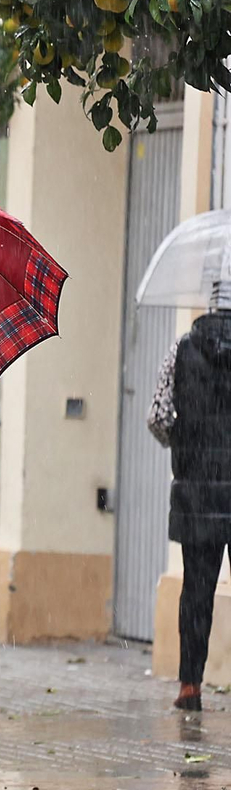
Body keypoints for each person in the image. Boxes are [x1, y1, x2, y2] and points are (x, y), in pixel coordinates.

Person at [159, 301, 231, 712]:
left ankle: (190, 686)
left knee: (197, 592)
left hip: (197, 492)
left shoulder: (181, 349)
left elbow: (157, 415)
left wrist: (187, 441)